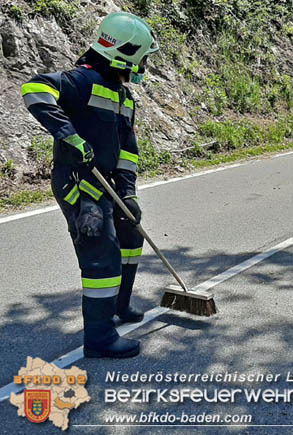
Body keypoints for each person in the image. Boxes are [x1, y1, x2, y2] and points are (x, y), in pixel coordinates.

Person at [21, 12, 159, 358]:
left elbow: (128, 150)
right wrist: (68, 136)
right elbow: (34, 89)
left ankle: (119, 306)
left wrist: (128, 191)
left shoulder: (125, 97)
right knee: (102, 255)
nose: (144, 64)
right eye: (142, 57)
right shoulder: (79, 81)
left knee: (130, 235)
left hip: (109, 184)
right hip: (79, 185)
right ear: (125, 53)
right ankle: (99, 338)